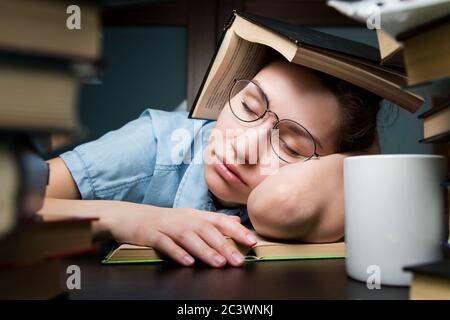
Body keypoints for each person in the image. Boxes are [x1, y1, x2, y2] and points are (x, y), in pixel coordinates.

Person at [39, 60, 381, 268]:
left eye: (290, 146)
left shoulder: (320, 192)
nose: (243, 148)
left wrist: (362, 161)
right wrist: (120, 218)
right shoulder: (157, 142)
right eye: (248, 107)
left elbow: (284, 203)